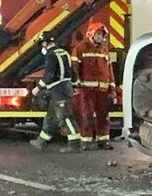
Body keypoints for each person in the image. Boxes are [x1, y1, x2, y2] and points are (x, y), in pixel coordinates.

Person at [30, 32, 84, 152]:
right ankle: (42, 141)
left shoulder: (50, 55)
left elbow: (49, 75)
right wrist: (74, 85)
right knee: (51, 117)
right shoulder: (64, 53)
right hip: (65, 88)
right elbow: (72, 72)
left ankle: (75, 144)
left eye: (42, 43)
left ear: (46, 42)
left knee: (65, 117)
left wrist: (38, 88)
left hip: (58, 90)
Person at [72, 22, 117, 150]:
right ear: (91, 34)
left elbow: (109, 71)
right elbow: (74, 69)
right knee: (87, 116)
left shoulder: (104, 50)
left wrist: (112, 89)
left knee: (104, 116)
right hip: (86, 90)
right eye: (98, 34)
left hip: (102, 90)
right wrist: (76, 85)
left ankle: (103, 140)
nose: (100, 37)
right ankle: (86, 141)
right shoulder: (80, 49)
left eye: (101, 34)